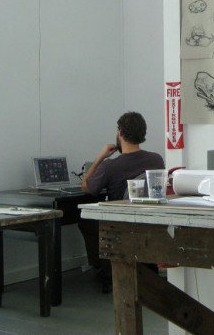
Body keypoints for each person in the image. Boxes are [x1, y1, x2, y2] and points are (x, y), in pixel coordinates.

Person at [78, 111, 165, 292]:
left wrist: (100, 157)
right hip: (149, 222)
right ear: (142, 133)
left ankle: (106, 268)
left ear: (120, 132)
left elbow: (86, 186)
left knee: (85, 222)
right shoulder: (156, 159)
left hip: (121, 223)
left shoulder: (110, 165)